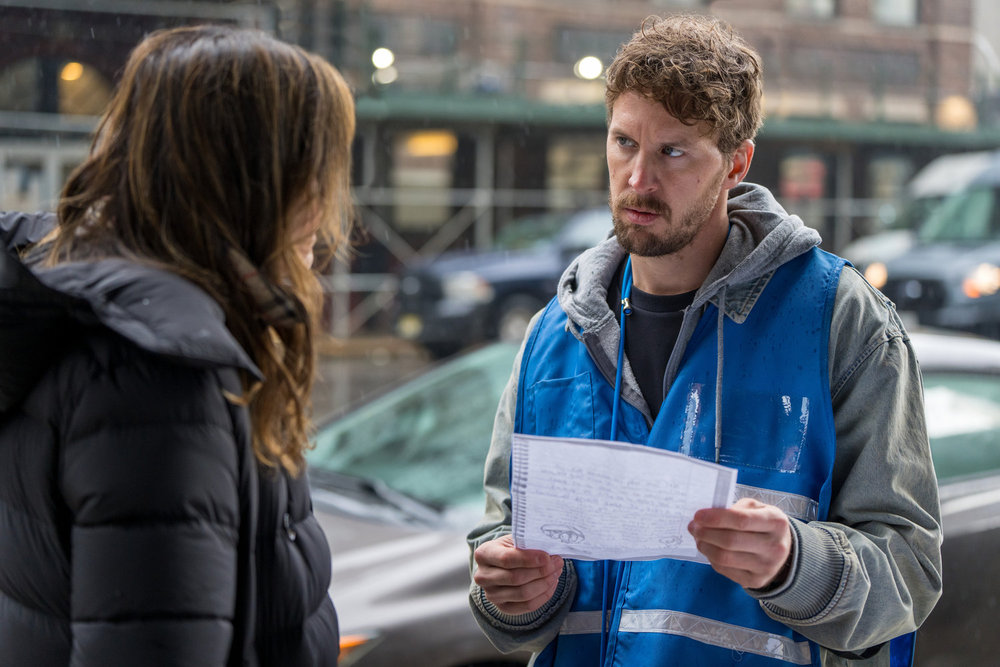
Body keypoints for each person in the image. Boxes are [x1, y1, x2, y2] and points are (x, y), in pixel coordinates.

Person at [467, 13, 942, 667]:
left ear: (736, 163)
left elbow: (908, 572)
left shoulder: (838, 319)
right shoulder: (554, 336)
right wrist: (513, 594)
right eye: (624, 143)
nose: (638, 179)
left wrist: (794, 564)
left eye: (673, 151)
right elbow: (505, 565)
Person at [0, 25, 354, 666]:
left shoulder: (93, 308)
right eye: (316, 170)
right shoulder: (158, 374)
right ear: (253, 180)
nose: (327, 210)